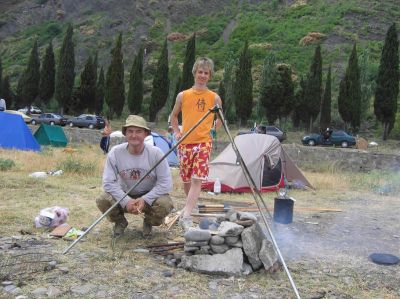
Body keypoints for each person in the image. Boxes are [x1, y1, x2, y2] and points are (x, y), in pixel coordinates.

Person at [96, 115, 174, 237]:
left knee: (165, 204)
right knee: (102, 199)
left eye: (138, 131)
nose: (134, 135)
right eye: (130, 131)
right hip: (124, 194)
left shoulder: (156, 153)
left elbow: (165, 184)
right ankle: (120, 222)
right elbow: (108, 183)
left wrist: (145, 199)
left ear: (146, 134)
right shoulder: (115, 152)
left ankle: (149, 221)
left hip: (149, 196)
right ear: (125, 134)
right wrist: (126, 201)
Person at [170, 57, 222, 230]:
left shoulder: (214, 97)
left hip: (203, 143)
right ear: (194, 73)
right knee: (186, 179)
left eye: (206, 73)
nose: (203, 75)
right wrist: (177, 132)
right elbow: (174, 116)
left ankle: (186, 215)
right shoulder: (183, 95)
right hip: (185, 143)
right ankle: (190, 207)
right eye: (200, 72)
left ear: (210, 76)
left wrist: (213, 132)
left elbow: (219, 118)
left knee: (196, 179)